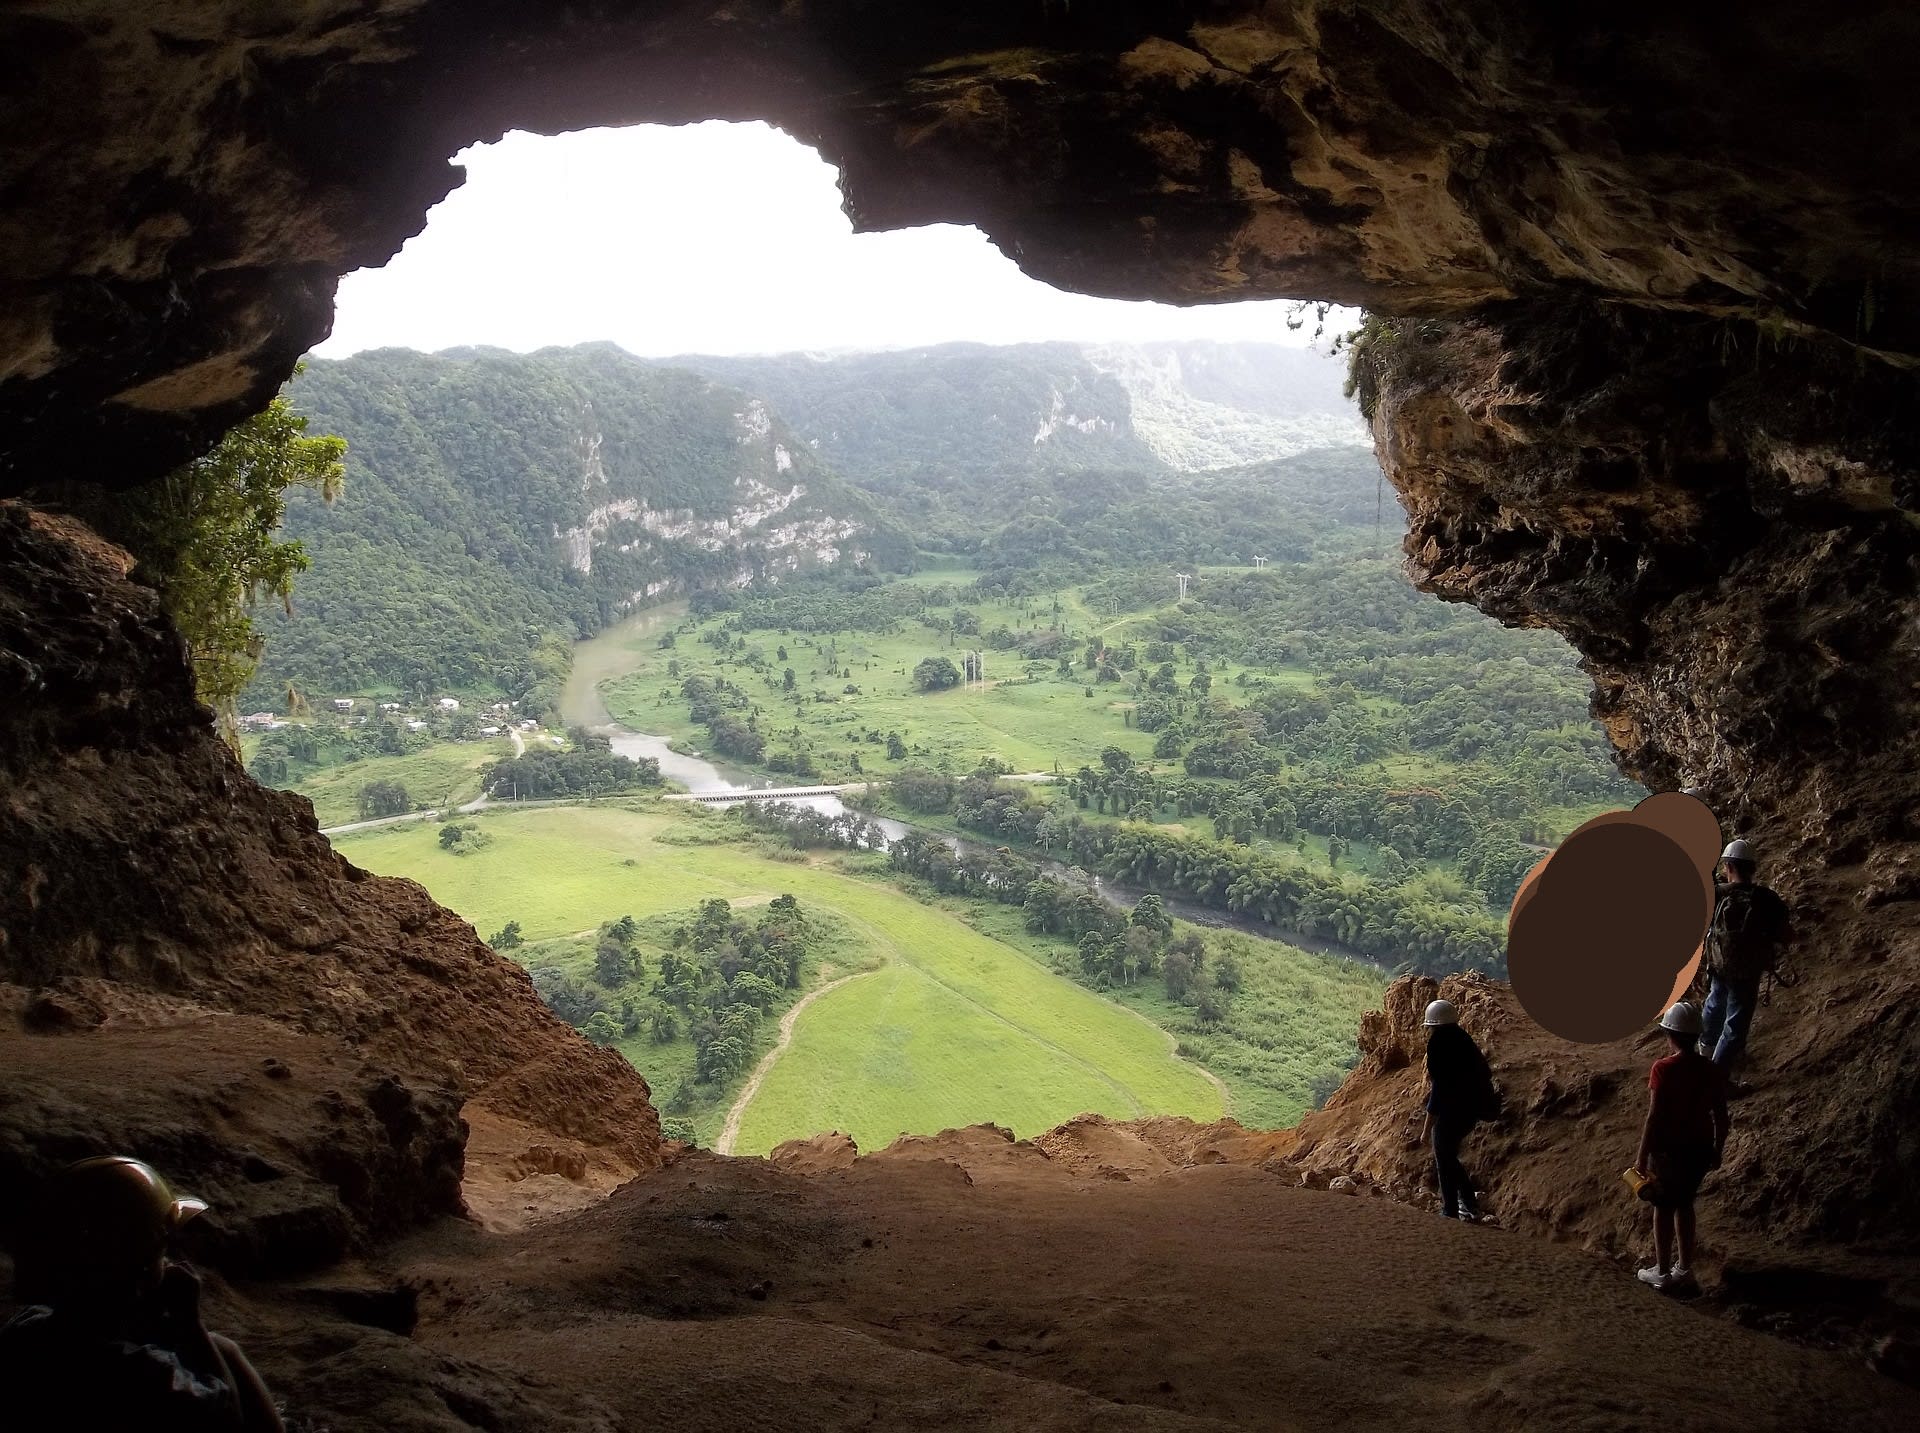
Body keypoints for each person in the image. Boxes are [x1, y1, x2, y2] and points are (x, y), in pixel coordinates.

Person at [0, 1155, 284, 1431]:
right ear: (141, 1270)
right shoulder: (146, 1373)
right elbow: (229, 1416)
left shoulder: (27, 1327)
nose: (170, 1261)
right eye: (162, 1253)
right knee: (223, 1348)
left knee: (219, 1346)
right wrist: (191, 1322)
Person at [1633, 1001, 1730, 1292]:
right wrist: (1717, 1149)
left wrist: (1640, 1158)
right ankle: (1684, 1269)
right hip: (1699, 1149)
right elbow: (1722, 1116)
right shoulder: (1710, 1069)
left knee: (1662, 1207)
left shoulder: (1662, 1069)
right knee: (1685, 1205)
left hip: (1667, 1152)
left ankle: (1662, 1271)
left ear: (1670, 1035)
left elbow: (1654, 1117)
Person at [1699, 837, 1791, 1079]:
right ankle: (1718, 1078)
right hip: (1748, 970)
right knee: (1735, 1023)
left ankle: (1703, 1056)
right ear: (1753, 868)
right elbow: (1783, 932)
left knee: (1714, 1004)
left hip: (1719, 965)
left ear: (1728, 867)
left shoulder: (1716, 894)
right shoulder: (1767, 898)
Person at [1420, 998, 1499, 1223]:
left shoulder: (1438, 1045)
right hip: (1472, 1109)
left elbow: (1439, 1090)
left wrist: (1427, 1128)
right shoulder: (1464, 1039)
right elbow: (1485, 1075)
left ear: (1433, 1025)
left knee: (1443, 1157)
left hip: (1452, 1111)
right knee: (1448, 1156)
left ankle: (1451, 1210)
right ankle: (1469, 1204)